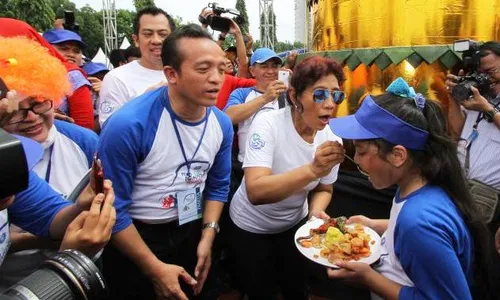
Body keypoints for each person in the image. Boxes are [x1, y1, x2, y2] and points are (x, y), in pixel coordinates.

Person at [327, 78, 495, 299]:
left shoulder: (418, 222)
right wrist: (373, 225)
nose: (355, 159)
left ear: (398, 155)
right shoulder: (416, 186)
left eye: (361, 150)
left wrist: (369, 278)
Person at [98, 24, 232, 300]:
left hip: (191, 227)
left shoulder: (222, 124)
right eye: (203, 68)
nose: (216, 79)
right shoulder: (128, 125)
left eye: (221, 68)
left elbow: (218, 186)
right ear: (171, 74)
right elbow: (113, 210)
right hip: (136, 237)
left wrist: (208, 236)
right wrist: (153, 268)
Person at [227, 56, 346, 299]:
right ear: (294, 97)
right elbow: (256, 191)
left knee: (297, 288)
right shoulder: (267, 124)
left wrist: (314, 212)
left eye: (337, 95)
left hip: (294, 226)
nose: (330, 104)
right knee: (260, 291)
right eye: (320, 94)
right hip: (251, 228)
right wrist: (312, 170)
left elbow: (325, 188)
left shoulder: (332, 139)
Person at [0, 36, 102, 287]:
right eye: (13, 112)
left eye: (38, 103)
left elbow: (52, 217)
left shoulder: (84, 141)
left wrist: (84, 206)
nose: (30, 117)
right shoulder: (7, 156)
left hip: (72, 279)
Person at [0, 18, 94, 130]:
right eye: (64, 49)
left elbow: (85, 129)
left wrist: (48, 121)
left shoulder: (72, 75)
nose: (71, 54)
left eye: (76, 51)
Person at [445, 41, 500, 225]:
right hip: (460, 187)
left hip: (488, 199)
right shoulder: (479, 95)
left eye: (492, 72)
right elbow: (456, 131)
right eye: (481, 73)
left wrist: (488, 109)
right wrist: (453, 99)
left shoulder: (483, 102)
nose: (487, 79)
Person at [98, 7, 176, 126]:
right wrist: (145, 101)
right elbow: (110, 131)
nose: (156, 40)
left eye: (162, 34)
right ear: (136, 39)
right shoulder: (116, 78)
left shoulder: (185, 74)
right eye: (148, 34)